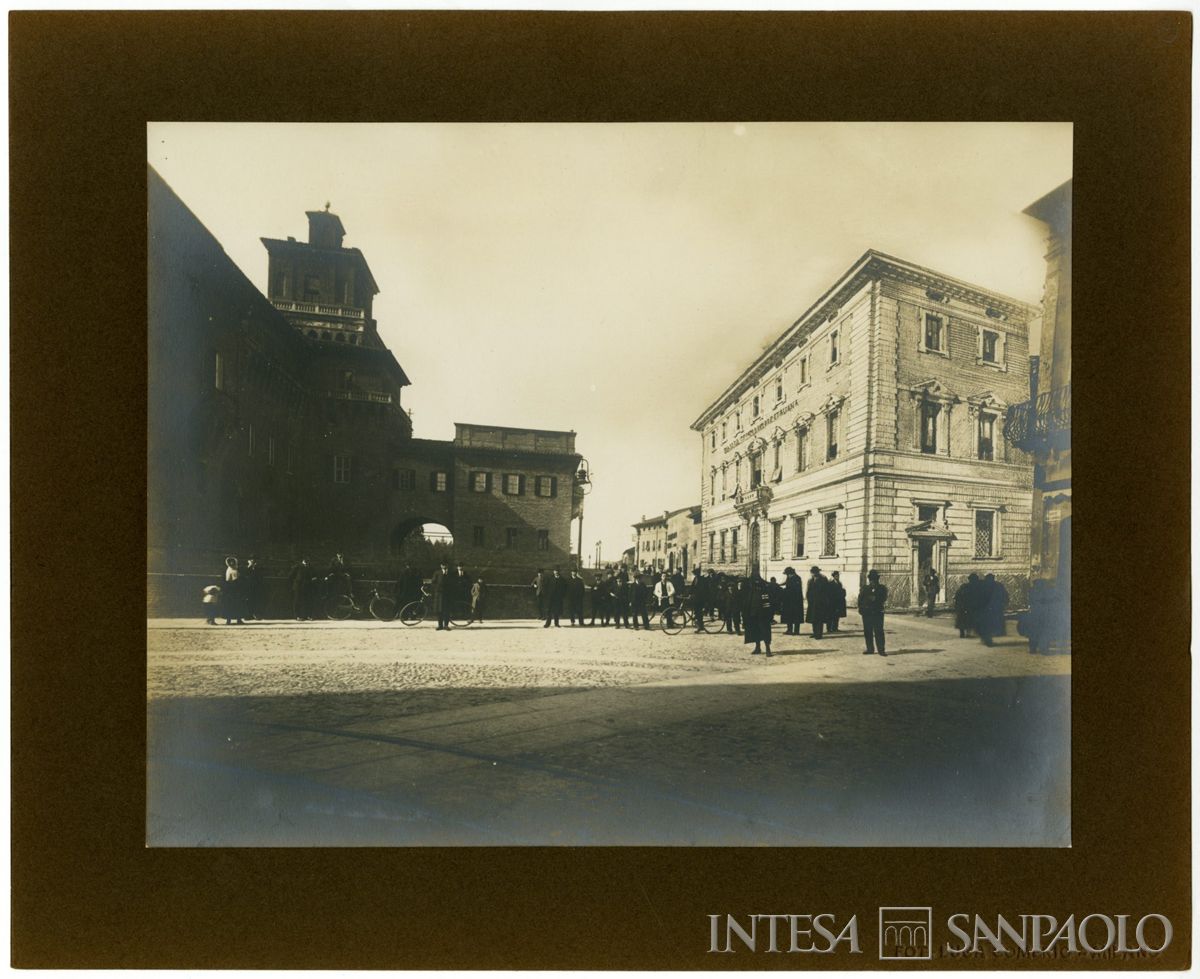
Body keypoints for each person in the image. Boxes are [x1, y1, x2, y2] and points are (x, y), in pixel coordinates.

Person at [742, 569, 774, 656]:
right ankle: (758, 647)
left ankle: (768, 649)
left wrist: (769, 614)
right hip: (752, 613)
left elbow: (767, 601)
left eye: (757, 577)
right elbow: (746, 600)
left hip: (762, 613)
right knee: (755, 630)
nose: (756, 580)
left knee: (765, 631)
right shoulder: (749, 586)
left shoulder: (763, 586)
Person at [859, 569, 889, 656]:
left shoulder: (882, 589)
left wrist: (876, 599)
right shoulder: (865, 588)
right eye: (871, 579)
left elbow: (884, 598)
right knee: (868, 631)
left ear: (877, 580)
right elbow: (860, 599)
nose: (873, 581)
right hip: (867, 613)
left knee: (879, 631)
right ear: (869, 580)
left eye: (874, 579)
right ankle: (870, 649)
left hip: (877, 613)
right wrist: (861, 609)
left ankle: (881, 650)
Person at [978, 573, 1009, 647]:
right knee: (991, 624)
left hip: (987, 609)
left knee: (987, 624)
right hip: (994, 608)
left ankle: (987, 638)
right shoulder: (998, 586)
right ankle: (988, 638)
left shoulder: (983, 586)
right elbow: (1005, 595)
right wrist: (1004, 603)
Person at [954, 573, 982, 638]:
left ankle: (963, 632)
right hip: (969, 606)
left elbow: (957, 595)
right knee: (968, 619)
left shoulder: (964, 586)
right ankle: (966, 632)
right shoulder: (977, 588)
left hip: (963, 606)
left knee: (963, 619)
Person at [805, 566, 829, 639]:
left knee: (819, 619)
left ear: (817, 573)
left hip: (820, 603)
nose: (812, 574)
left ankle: (819, 634)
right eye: (812, 573)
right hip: (812, 603)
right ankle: (815, 633)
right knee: (813, 618)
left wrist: (824, 601)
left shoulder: (823, 579)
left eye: (813, 573)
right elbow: (808, 591)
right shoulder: (811, 580)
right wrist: (808, 599)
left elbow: (826, 592)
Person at [781, 566, 805, 635]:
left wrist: (785, 590)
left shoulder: (797, 578)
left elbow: (794, 590)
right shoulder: (789, 577)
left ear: (790, 573)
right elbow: (786, 583)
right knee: (789, 615)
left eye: (787, 574)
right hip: (789, 600)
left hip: (796, 601)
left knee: (796, 616)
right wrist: (779, 584)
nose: (787, 575)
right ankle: (789, 630)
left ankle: (796, 631)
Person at [222, 556, 244, 625]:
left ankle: (238, 619)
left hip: (236, 588)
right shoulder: (229, 570)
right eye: (230, 562)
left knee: (238, 604)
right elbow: (229, 580)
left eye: (233, 561)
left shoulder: (236, 569)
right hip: (231, 588)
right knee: (230, 605)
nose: (232, 563)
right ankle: (229, 620)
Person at [241, 555, 263, 621]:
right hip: (248, 587)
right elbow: (244, 575)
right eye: (251, 560)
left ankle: (255, 614)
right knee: (248, 601)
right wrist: (249, 566)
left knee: (256, 601)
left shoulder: (258, 568)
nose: (253, 561)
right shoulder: (246, 567)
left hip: (256, 587)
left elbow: (260, 577)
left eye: (254, 560)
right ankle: (248, 615)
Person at [430, 560, 451, 630]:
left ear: (447, 565)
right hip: (439, 595)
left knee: (447, 610)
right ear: (441, 565)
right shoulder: (437, 573)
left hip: (448, 595)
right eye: (443, 565)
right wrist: (437, 589)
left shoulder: (450, 573)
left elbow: (453, 583)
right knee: (439, 610)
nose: (444, 566)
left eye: (445, 565)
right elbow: (433, 582)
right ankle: (440, 625)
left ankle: (446, 625)